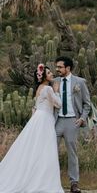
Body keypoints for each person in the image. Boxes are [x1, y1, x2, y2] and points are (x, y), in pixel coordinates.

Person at [0, 63, 64, 192]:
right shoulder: (48, 89)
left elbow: (36, 107)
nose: (52, 74)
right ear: (44, 77)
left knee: (33, 148)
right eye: (49, 73)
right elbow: (58, 104)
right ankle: (42, 181)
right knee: (46, 149)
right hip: (45, 119)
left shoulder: (39, 89)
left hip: (37, 119)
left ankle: (33, 177)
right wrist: (57, 91)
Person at [54, 56, 91, 193]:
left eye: (60, 67)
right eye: (56, 67)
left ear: (68, 68)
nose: (57, 69)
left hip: (72, 121)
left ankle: (74, 183)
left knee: (72, 153)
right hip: (56, 121)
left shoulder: (79, 82)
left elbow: (87, 103)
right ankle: (51, 181)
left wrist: (82, 118)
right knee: (51, 152)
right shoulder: (54, 81)